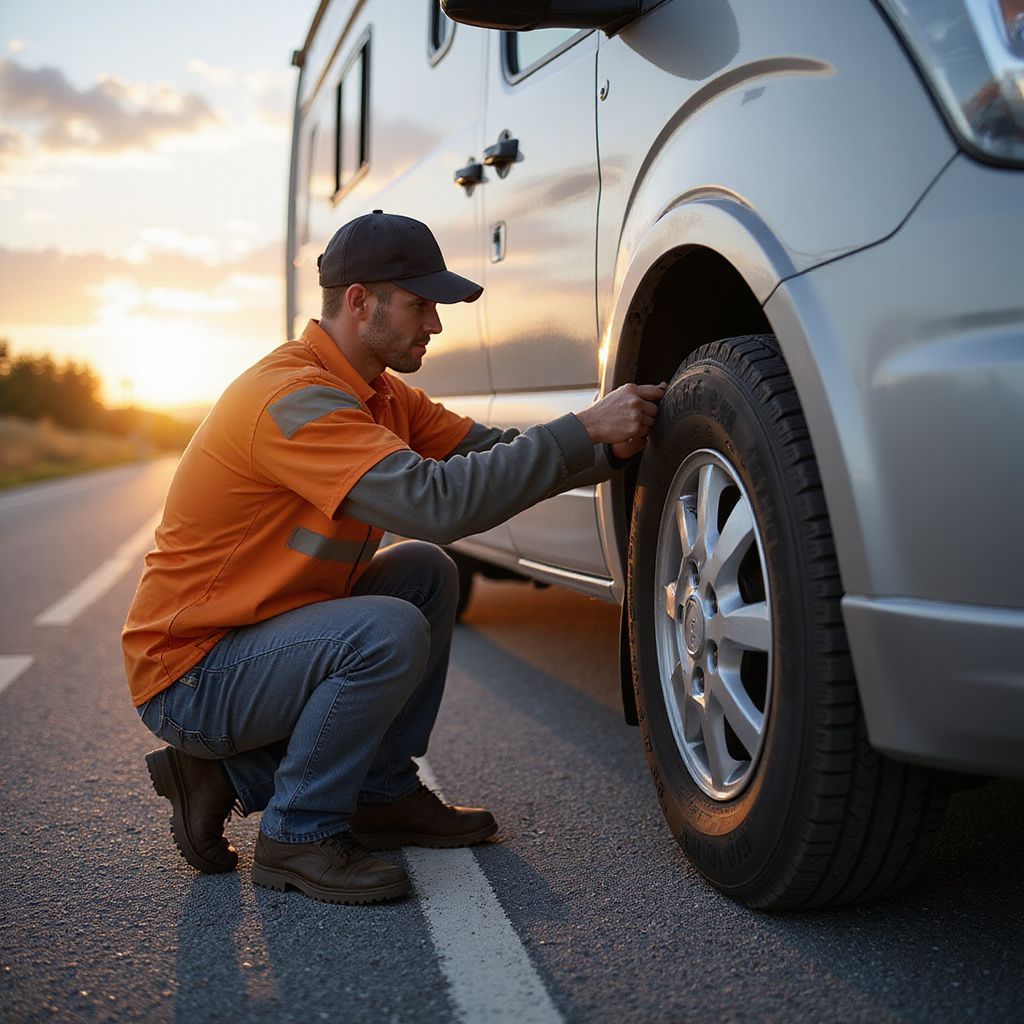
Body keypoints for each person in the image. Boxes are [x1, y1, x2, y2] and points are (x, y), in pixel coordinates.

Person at [124, 210, 666, 905]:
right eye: (419, 304)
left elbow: (488, 455)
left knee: (424, 575)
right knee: (386, 630)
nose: (434, 325)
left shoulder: (380, 393)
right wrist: (581, 427)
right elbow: (439, 504)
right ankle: (297, 834)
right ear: (359, 302)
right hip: (192, 674)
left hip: (260, 643)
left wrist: (609, 446)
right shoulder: (293, 399)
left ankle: (374, 795)